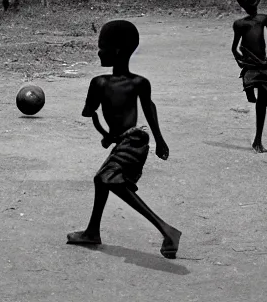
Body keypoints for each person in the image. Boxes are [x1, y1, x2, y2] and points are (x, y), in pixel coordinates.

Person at [67, 20, 181, 259]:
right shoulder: (115, 83)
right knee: (102, 181)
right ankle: (92, 231)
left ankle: (166, 229)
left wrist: (160, 140)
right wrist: (108, 136)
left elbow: (147, 109)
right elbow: (96, 114)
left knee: (108, 179)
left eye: (102, 46)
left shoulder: (108, 83)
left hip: (134, 141)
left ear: (117, 51)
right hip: (125, 142)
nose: (98, 51)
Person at [231, 0, 267, 153]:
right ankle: (249, 88)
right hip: (251, 66)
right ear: (240, 1)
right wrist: (239, 60)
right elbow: (234, 48)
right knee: (253, 97)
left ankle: (258, 140)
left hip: (264, 66)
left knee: (263, 101)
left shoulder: (265, 19)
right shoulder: (240, 25)